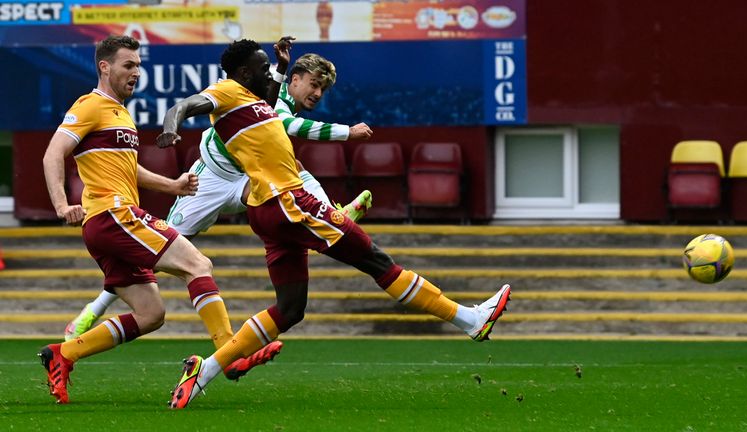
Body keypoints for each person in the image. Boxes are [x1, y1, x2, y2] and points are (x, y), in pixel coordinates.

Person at [155, 38, 512, 409]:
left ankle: (204, 374)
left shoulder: (257, 103)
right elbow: (187, 104)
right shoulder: (228, 92)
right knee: (377, 260)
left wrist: (278, 67)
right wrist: (171, 126)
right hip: (290, 202)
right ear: (243, 74)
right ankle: (470, 320)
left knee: (290, 309)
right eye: (262, 69)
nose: (269, 74)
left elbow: (273, 99)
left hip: (269, 209)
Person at [61, 44, 373, 382]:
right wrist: (347, 131)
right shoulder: (241, 93)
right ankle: (96, 307)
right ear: (293, 80)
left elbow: (273, 107)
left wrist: (281, 68)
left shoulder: (268, 92)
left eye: (322, 89)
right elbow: (283, 121)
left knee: (295, 173)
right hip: (208, 180)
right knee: (164, 250)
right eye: (313, 84)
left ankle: (334, 215)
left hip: (244, 181)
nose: (316, 93)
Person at [38, 35, 259, 404]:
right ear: (105, 67)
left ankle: (64, 353)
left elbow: (130, 168)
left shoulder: (121, 112)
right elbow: (52, 154)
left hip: (106, 224)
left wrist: (171, 185)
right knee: (197, 264)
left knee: (151, 313)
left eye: (139, 66)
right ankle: (230, 354)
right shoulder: (90, 104)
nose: (136, 72)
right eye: (128, 65)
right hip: (113, 214)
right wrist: (62, 205)